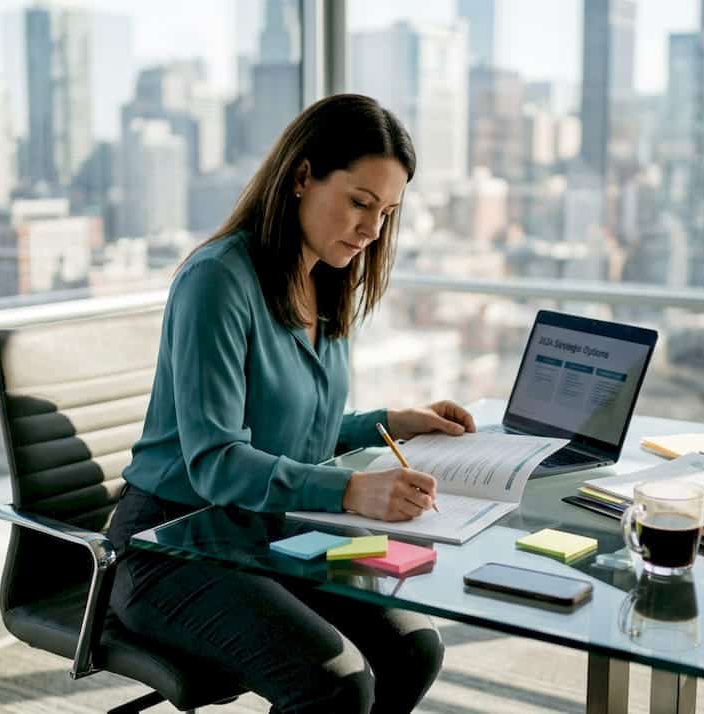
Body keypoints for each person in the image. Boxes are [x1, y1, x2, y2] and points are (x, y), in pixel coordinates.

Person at [108, 93, 477, 713]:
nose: (373, 229)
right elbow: (217, 460)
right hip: (172, 543)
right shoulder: (217, 280)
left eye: (387, 212)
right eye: (360, 203)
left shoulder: (326, 284)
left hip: (273, 533)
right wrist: (351, 491)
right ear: (302, 176)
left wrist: (392, 422)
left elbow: (299, 432)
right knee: (336, 684)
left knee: (413, 649)